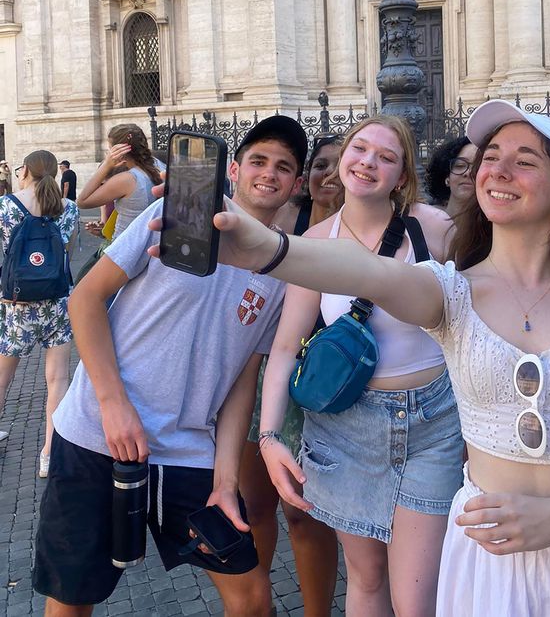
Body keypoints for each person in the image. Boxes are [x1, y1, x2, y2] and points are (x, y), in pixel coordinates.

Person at [207, 100, 550, 617]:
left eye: (525, 161)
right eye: (491, 156)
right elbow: (366, 272)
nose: (498, 169)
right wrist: (266, 248)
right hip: (488, 564)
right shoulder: (450, 292)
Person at [32, 116, 308, 617]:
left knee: (251, 594)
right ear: (236, 170)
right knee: (73, 598)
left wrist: (225, 481)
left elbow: (241, 383)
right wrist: (113, 404)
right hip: (98, 434)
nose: (269, 174)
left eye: (284, 167)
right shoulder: (176, 211)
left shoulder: (280, 269)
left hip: (187, 449)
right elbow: (86, 300)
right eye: (259, 161)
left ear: (297, 183)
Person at [259, 116, 460, 617]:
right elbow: (286, 347)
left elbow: (488, 303)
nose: (368, 161)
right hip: (345, 430)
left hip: (431, 424)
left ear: (402, 175)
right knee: (367, 578)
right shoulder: (315, 242)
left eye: (386, 157)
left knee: (416, 597)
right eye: (360, 149)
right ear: (342, 159)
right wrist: (269, 438)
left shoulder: (431, 228)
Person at [241, 134, 343, 617]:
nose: (332, 174)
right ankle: (253, 602)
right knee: (253, 508)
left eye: (342, 165)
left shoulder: (374, 233)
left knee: (305, 517)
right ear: (306, 180)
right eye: (322, 165)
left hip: (325, 392)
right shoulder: (284, 222)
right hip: (261, 382)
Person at [0, 151, 78, 470]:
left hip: (16, 305)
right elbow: (66, 255)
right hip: (57, 302)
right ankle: (49, 452)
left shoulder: (5, 206)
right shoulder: (69, 209)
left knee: (3, 380)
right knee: (58, 380)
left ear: (26, 171)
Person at [77, 123, 162, 239]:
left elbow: (82, 201)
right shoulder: (158, 166)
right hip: (149, 240)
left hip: (126, 244)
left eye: (110, 149)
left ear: (118, 151)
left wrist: (106, 164)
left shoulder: (127, 179)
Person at [425, 136, 478, 218]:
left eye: (477, 167)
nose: (468, 173)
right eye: (460, 166)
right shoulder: (424, 219)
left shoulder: (495, 227)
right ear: (447, 177)